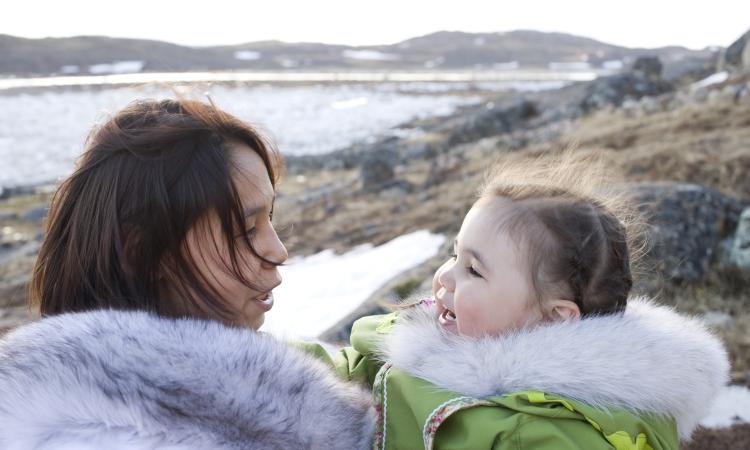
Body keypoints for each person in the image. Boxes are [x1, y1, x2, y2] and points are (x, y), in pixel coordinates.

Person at [0, 98, 374, 449]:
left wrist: (431, 315)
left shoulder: (250, 382)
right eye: (245, 230)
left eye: (270, 219)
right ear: (142, 252)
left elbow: (356, 367)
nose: (278, 251)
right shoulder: (100, 438)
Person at [330, 153, 729, 450]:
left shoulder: (545, 435)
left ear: (554, 318)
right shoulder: (424, 337)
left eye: (474, 271)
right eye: (455, 255)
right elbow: (338, 370)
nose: (446, 277)